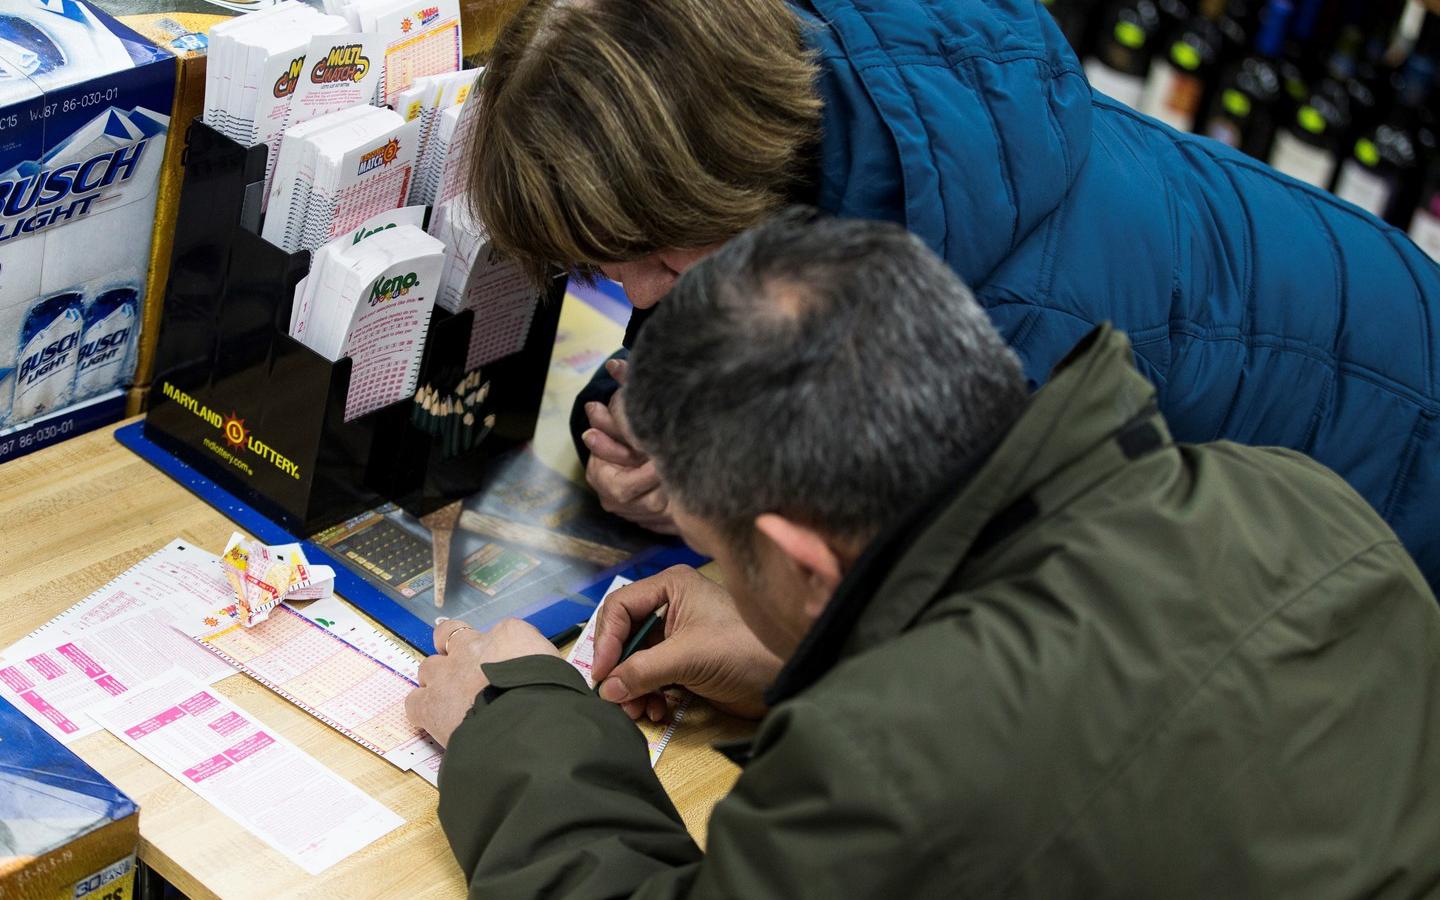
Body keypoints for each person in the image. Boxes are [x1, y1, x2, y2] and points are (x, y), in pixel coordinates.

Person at [405, 212, 1440, 897]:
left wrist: (515, 721)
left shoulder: (885, 767)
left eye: (721, 551)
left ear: (801, 557)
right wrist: (815, 659)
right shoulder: (1295, 497)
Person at [465, 0, 1440, 585]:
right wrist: (674, 417)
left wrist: (728, 515)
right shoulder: (819, 91)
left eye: (656, 258)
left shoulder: (1002, 325)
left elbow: (983, 626)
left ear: (727, 175)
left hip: (1395, 488)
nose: (636, 294)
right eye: (604, 267)